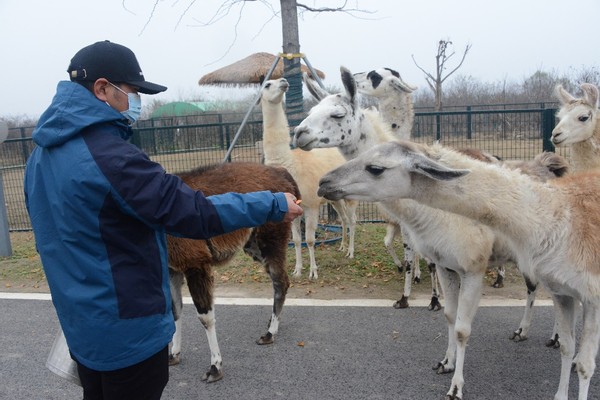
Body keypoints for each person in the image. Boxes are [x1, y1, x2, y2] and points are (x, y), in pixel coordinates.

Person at [24, 40, 303, 400]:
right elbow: (195, 212)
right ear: (102, 89)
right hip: (130, 333)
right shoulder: (112, 158)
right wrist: (271, 203)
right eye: (133, 91)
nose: (138, 100)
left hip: (81, 328)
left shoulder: (39, 158)